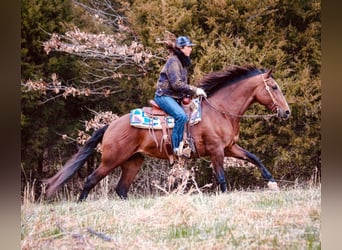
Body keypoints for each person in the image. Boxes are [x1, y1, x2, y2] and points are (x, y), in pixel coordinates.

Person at [154, 36, 207, 156]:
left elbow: (182, 85)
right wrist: (195, 90)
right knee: (181, 116)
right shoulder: (173, 61)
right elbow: (177, 84)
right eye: (189, 47)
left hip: (174, 97)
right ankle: (176, 147)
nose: (191, 50)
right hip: (164, 96)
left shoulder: (182, 63)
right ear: (181, 48)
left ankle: (187, 142)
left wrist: (191, 94)